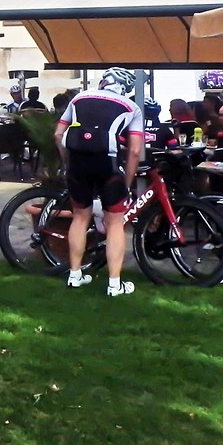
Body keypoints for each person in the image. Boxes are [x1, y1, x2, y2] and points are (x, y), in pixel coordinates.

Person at [54, 67, 144, 297]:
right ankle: (114, 284)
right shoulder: (131, 107)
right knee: (115, 223)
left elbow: (57, 134)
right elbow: (134, 150)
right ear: (126, 87)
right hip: (108, 165)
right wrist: (127, 181)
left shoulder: (79, 97)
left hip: (77, 164)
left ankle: (75, 275)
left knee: (80, 217)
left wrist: (67, 162)